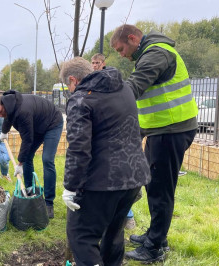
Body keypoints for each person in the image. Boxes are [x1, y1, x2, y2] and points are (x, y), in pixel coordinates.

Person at [110, 24, 198, 263]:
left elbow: (134, 87)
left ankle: (154, 248)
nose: (122, 55)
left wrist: (104, 102)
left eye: (121, 49)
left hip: (171, 130)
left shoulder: (157, 54)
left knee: (160, 190)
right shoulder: (150, 53)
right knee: (153, 185)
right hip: (162, 130)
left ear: (132, 38)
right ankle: (157, 235)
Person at [60, 57, 150, 266]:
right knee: (113, 231)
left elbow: (78, 148)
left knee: (81, 236)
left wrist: (70, 187)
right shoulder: (124, 89)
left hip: (103, 182)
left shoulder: (81, 99)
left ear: (73, 80)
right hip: (134, 176)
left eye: (69, 86)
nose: (70, 90)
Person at [0, 91, 63, 219]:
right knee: (28, 156)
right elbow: (8, 117)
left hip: (52, 123)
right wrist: (4, 131)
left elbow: (27, 140)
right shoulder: (8, 106)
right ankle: (29, 191)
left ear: (2, 103)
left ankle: (49, 203)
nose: (0, 116)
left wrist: (19, 164)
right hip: (37, 125)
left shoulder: (23, 111)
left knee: (47, 160)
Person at [91, 53, 138, 230]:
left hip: (119, 140)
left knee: (121, 179)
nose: (95, 65)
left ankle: (128, 217)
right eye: (93, 63)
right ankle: (112, 220)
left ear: (103, 63)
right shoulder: (94, 83)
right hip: (108, 140)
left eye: (97, 62)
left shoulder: (112, 82)